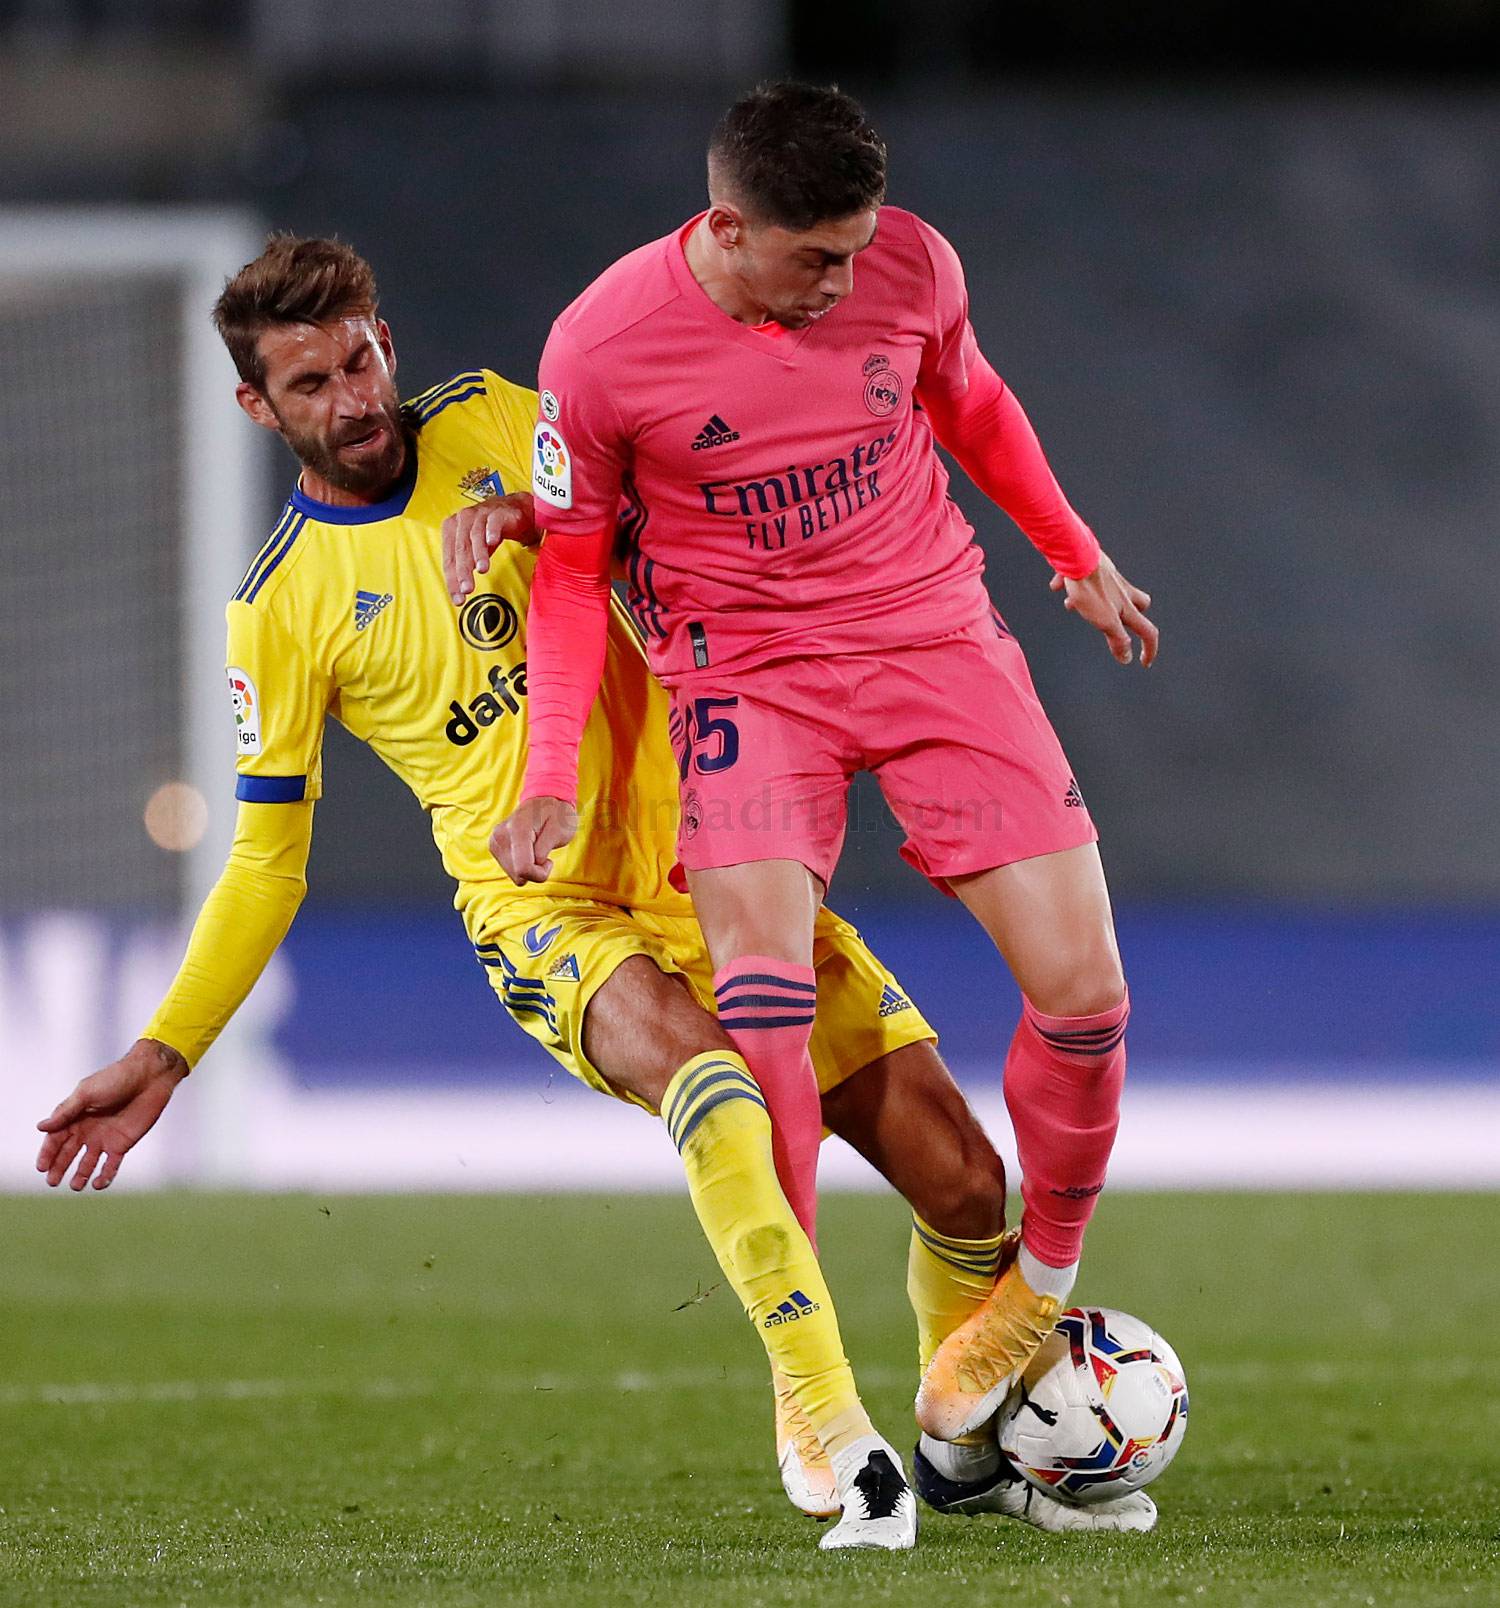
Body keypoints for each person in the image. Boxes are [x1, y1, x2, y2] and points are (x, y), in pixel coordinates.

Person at [32, 236, 1146, 1548]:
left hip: (714, 856)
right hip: (548, 917)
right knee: (716, 1090)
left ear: (387, 338)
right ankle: (819, 1415)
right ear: (258, 408)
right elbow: (270, 858)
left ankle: (960, 1454)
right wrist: (169, 1050)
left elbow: (648, 527)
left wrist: (557, 524)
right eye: (313, 381)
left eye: (364, 355)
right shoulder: (279, 610)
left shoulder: (501, 416)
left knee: (966, 1188)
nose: (356, 394)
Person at [492, 81, 1159, 1522]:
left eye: (860, 251)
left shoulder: (912, 263)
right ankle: (816, 1397)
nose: (849, 281)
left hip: (931, 637)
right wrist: (551, 770)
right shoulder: (599, 347)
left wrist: (1073, 549)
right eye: (817, 259)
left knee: (1089, 997)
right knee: (764, 1014)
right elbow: (564, 562)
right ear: (727, 228)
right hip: (746, 677)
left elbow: (971, 404)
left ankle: (1037, 1283)